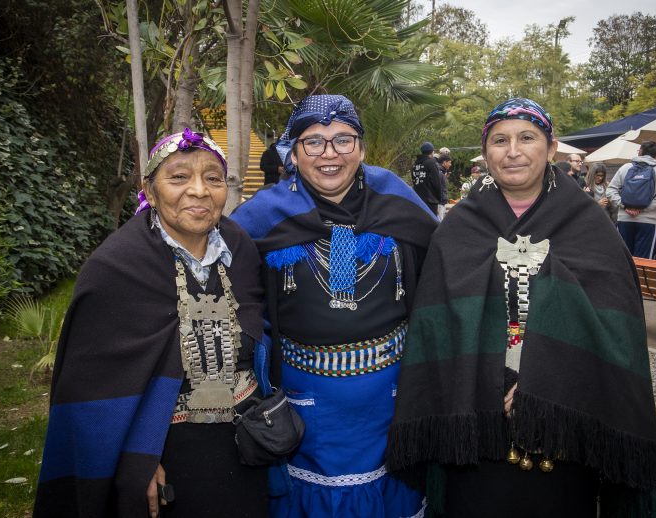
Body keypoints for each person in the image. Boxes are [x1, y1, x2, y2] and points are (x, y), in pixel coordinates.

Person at [388, 98, 656, 517]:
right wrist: (492, 379)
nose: (513, 150)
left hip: (565, 427)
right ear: (486, 153)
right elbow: (437, 330)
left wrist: (542, 384)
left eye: (527, 137)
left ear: (551, 149)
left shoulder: (590, 226)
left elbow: (614, 332)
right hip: (478, 430)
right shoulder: (458, 229)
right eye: (499, 140)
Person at [33, 129, 269, 517]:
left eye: (213, 178)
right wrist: (136, 458)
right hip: (164, 453)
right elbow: (91, 389)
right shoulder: (116, 267)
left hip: (244, 447)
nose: (199, 190)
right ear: (150, 189)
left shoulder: (240, 249)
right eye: (178, 177)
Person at [231, 95, 437, 518]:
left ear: (360, 147)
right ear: (293, 152)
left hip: (392, 397)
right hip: (304, 405)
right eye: (314, 142)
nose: (330, 154)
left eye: (344, 140)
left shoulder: (396, 198)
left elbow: (446, 265)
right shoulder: (261, 217)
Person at [606, 141, 656, 258]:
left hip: (624, 219)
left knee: (624, 258)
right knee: (643, 261)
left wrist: (625, 206)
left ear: (640, 152)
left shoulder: (625, 168)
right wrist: (642, 209)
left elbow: (610, 191)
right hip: (648, 221)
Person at [411, 141, 443, 215]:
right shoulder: (431, 163)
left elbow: (414, 181)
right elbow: (436, 183)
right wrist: (439, 200)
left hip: (417, 200)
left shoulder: (414, 165)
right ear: (432, 152)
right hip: (430, 201)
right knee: (432, 224)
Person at [436, 154, 452, 220]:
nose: (450, 164)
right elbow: (437, 188)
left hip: (441, 202)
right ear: (444, 162)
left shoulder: (441, 172)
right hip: (439, 203)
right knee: (439, 223)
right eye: (449, 162)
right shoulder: (439, 173)